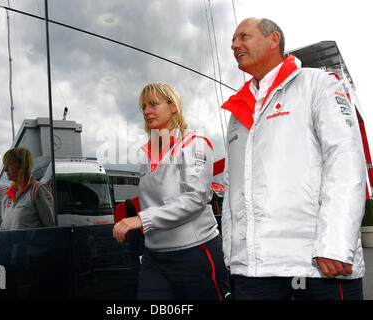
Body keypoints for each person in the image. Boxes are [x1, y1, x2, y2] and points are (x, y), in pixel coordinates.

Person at [221, 17, 366, 300]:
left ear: (273, 39)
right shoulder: (237, 113)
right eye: (233, 40)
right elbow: (231, 187)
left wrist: (336, 243)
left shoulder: (318, 84)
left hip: (316, 267)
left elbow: (345, 161)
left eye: (243, 37)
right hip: (251, 272)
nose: (234, 45)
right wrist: (232, 253)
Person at [113, 83, 231, 300]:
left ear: (173, 106)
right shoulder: (147, 154)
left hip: (196, 253)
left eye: (153, 104)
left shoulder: (194, 143)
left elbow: (196, 198)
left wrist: (141, 219)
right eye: (144, 107)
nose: (147, 111)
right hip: (154, 259)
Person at [0, 147, 55, 230]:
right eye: (5, 165)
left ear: (22, 165)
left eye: (10, 164)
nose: (5, 169)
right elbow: (3, 229)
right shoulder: (7, 197)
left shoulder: (37, 189)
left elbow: (51, 228)